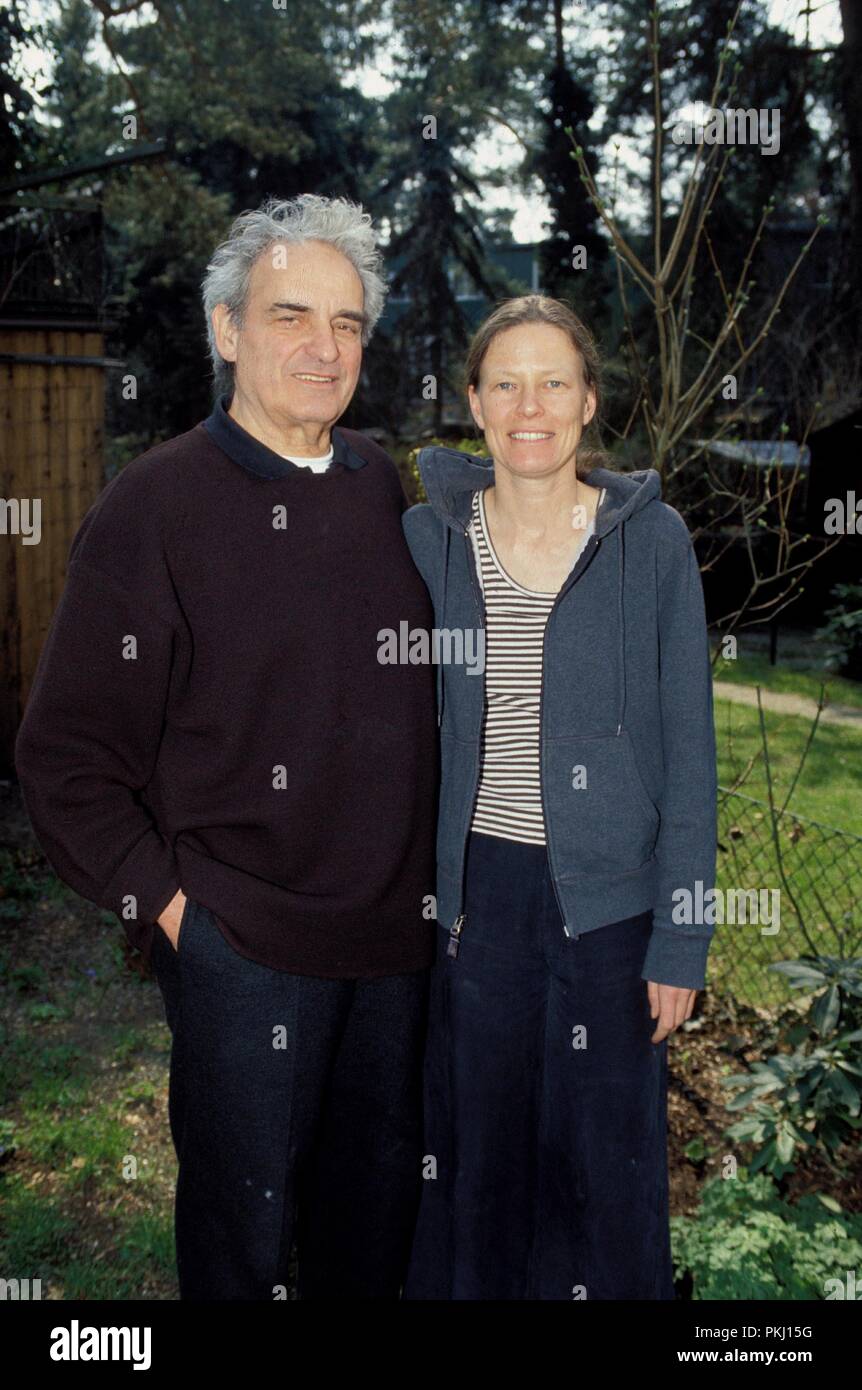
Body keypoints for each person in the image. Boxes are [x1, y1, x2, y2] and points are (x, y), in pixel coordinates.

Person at [14, 194, 439, 1300]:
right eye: (291, 313)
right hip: (246, 955)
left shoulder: (380, 487)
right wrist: (175, 916)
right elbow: (65, 757)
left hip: (394, 955)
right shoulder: (152, 506)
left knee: (373, 1239)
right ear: (226, 330)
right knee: (243, 1252)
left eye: (347, 323)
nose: (323, 346)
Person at [401, 294, 718, 1300]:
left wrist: (683, 937)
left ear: (588, 402)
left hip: (613, 910)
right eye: (505, 382)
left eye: (552, 381)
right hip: (480, 902)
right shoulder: (427, 540)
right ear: (475, 403)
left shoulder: (651, 542)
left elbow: (691, 756)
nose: (527, 404)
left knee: (606, 1171)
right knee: (481, 1165)